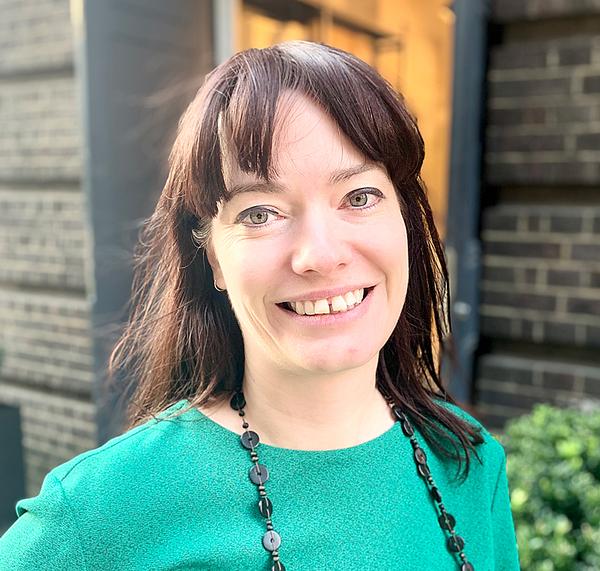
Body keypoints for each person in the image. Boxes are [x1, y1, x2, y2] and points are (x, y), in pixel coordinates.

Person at [0, 41, 520, 570]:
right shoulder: (102, 512)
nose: (320, 255)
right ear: (213, 258)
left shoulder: (470, 465)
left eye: (359, 197)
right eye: (260, 213)